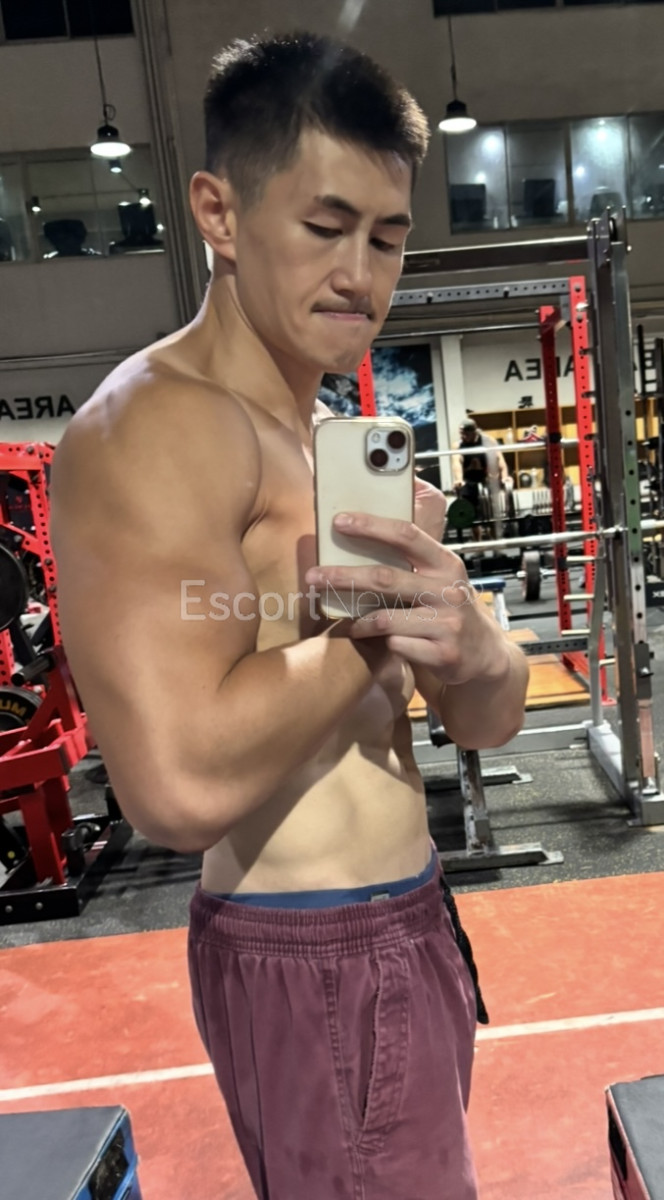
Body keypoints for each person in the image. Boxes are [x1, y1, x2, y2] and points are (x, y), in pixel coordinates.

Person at [50, 32, 529, 1200]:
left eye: (387, 236)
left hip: (402, 916)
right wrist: (370, 630)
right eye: (324, 226)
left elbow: (487, 719)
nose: (360, 273)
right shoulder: (156, 426)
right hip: (319, 952)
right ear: (218, 212)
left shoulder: (324, 437)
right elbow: (174, 788)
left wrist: (469, 642)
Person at [452, 417, 513, 539]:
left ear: (474, 432)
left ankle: (495, 541)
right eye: (461, 433)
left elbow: (499, 459)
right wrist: (459, 479)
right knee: (472, 513)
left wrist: (505, 476)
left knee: (491, 512)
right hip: (468, 478)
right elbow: (456, 462)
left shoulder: (487, 441)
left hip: (486, 477)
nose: (462, 436)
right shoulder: (458, 445)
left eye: (465, 434)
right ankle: (477, 542)